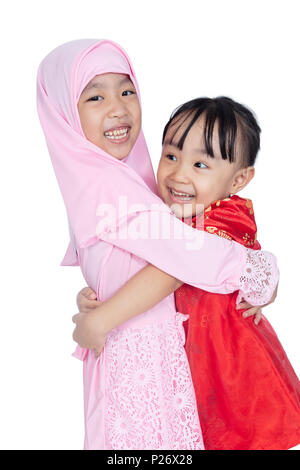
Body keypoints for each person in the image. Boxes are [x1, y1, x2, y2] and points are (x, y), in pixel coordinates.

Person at [37, 39, 278, 450]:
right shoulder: (107, 187)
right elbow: (167, 261)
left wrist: (263, 272)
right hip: (137, 361)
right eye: (95, 95)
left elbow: (178, 262)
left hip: (142, 359)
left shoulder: (111, 186)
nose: (118, 107)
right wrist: (96, 304)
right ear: (62, 111)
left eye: (127, 90)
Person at [77, 96, 300, 450]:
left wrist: (103, 318)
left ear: (239, 179)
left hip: (230, 372)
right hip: (191, 366)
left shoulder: (219, 218)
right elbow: (135, 269)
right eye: (171, 156)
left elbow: (168, 273)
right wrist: (95, 295)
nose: (179, 174)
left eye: (200, 164)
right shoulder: (164, 215)